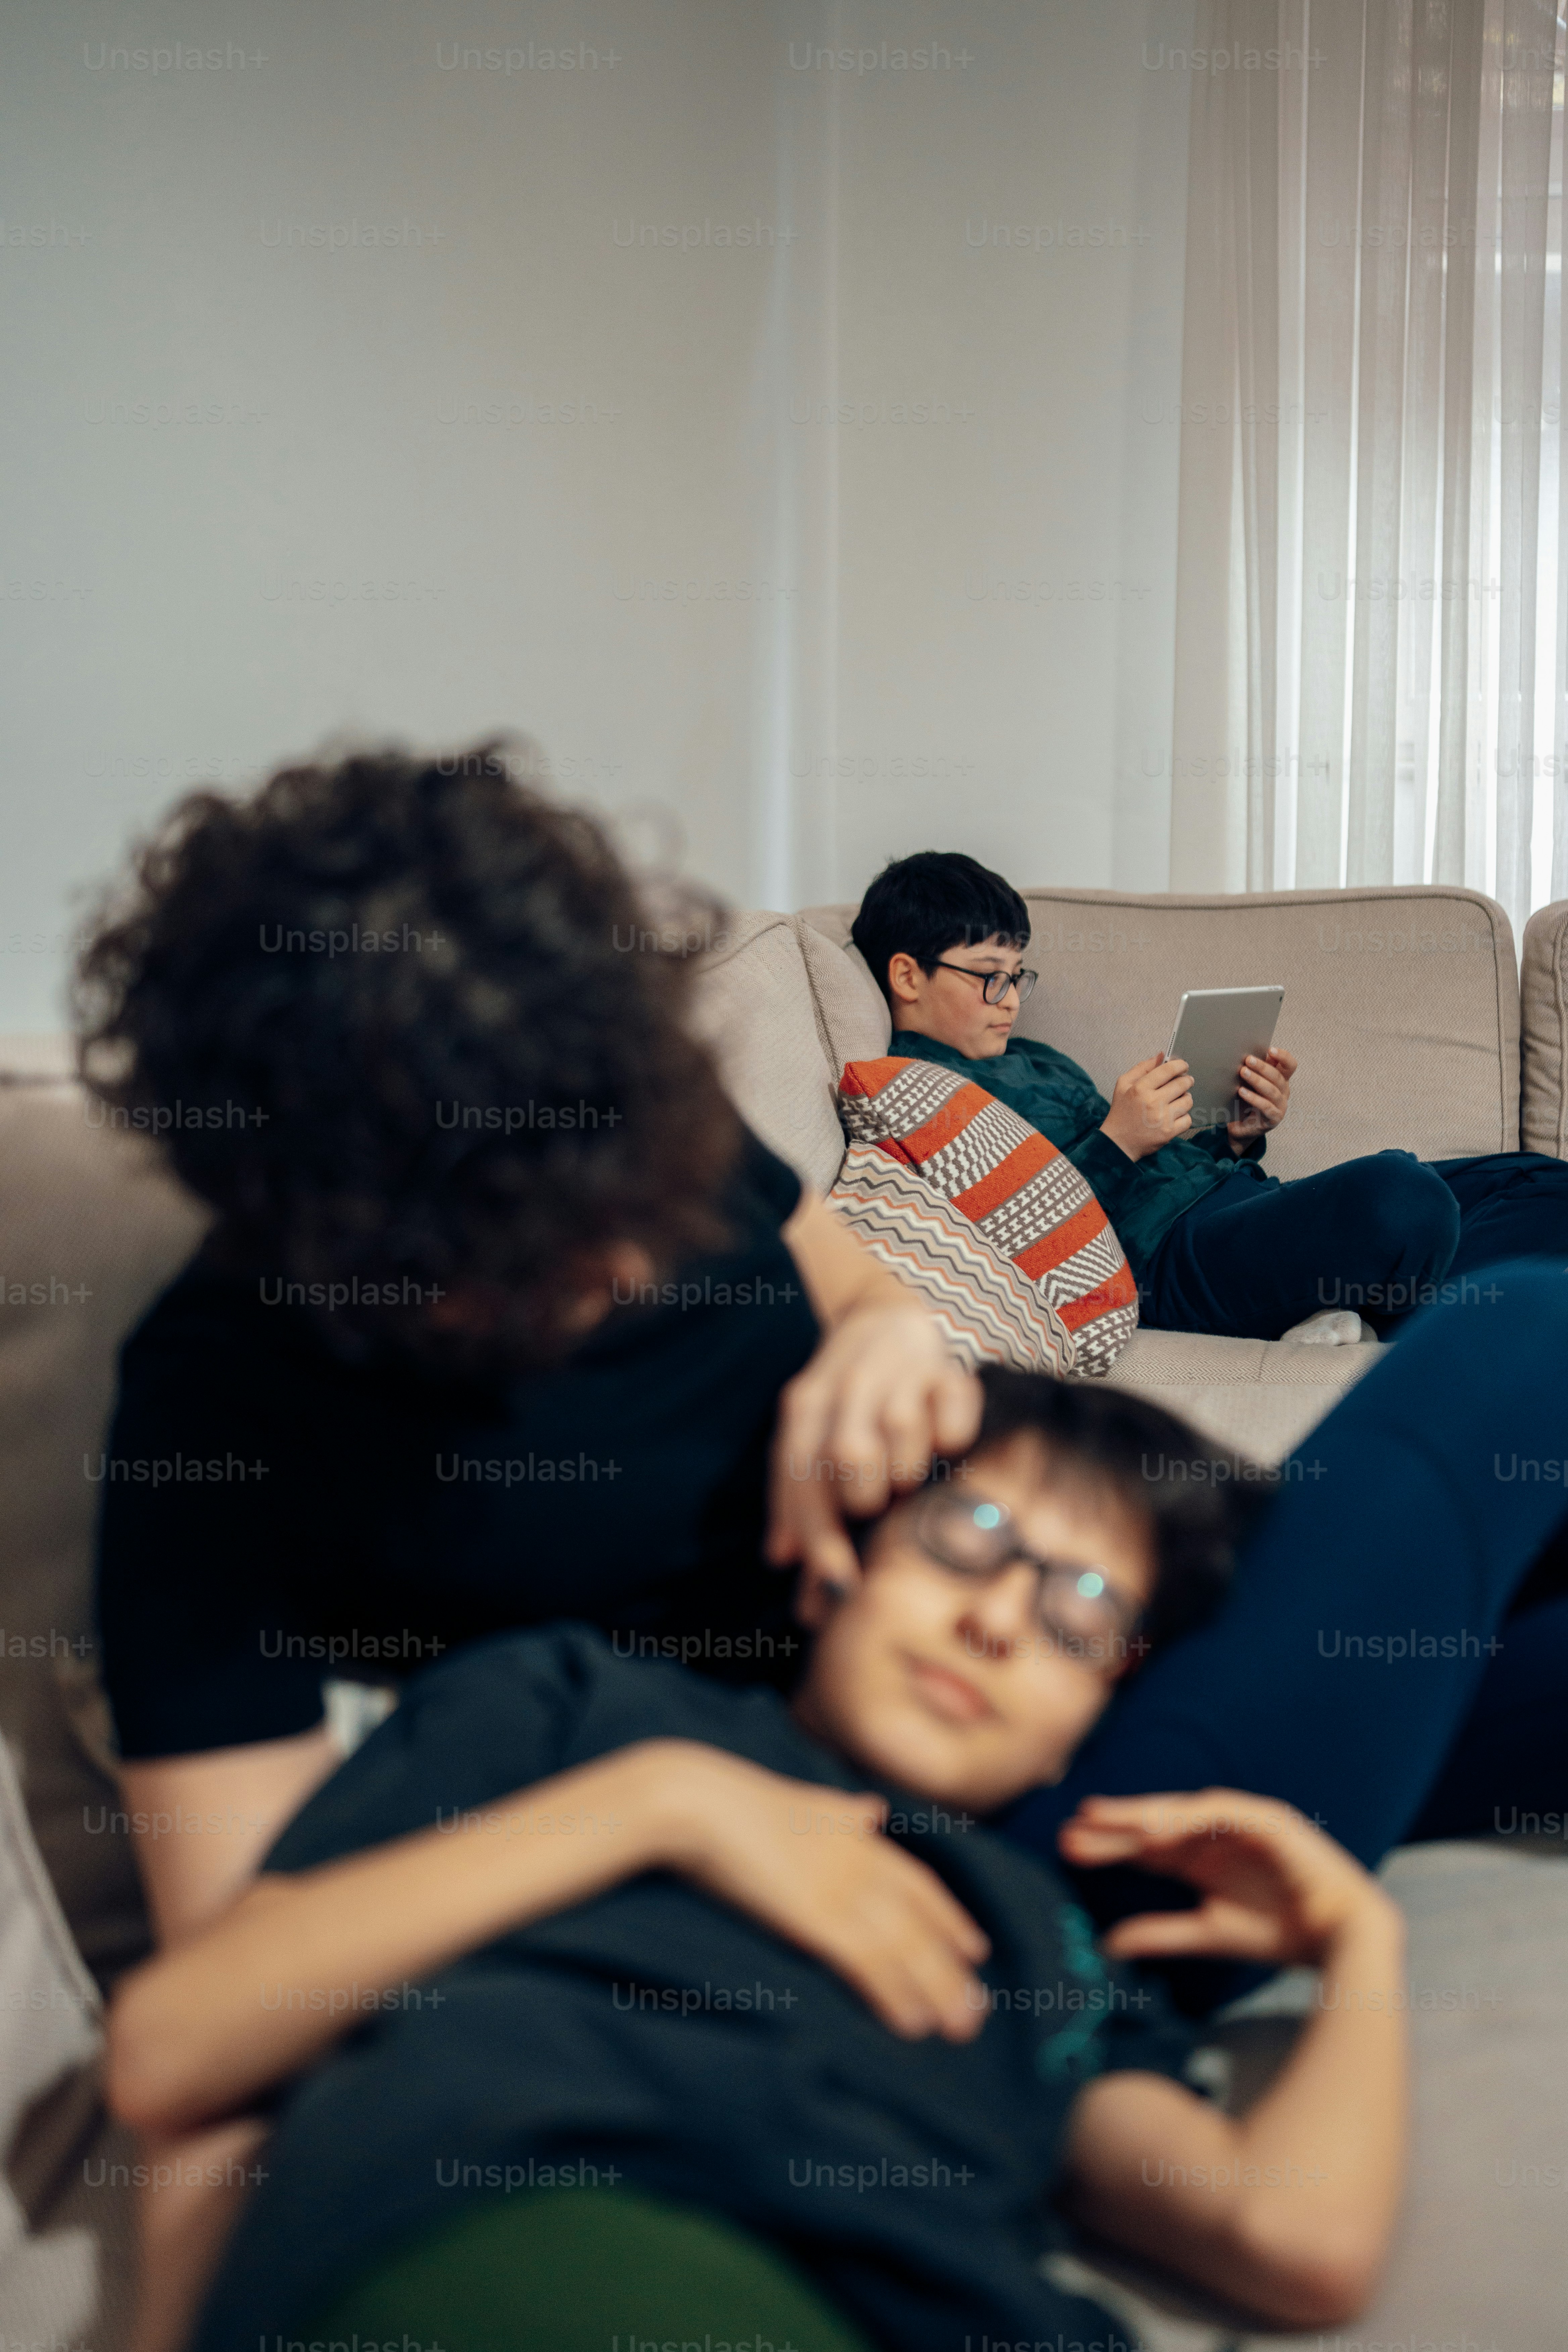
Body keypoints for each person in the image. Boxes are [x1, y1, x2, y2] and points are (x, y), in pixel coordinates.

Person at [107, 1369, 1411, 2352]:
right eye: (968, 1534)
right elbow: (180, 2042)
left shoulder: (1051, 1944)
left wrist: (1361, 1946)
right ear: (841, 1557)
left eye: (1081, 1610)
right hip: (539, 2239)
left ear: (1100, 1706)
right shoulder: (573, 1708)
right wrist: (660, 1807)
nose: (997, 1617)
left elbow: (1288, 2238)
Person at [80, 746, 979, 1945]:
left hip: (970, 1661)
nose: (622, 1267)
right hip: (757, 1849)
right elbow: (225, 1977)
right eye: (520, 1260)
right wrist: (660, 1807)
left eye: (622, 1195)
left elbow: (855, 1278)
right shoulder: (219, 1406)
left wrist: (890, 1330)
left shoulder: (621, 1100)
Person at [848, 848, 1568, 1341]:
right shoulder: (918, 1092)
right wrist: (1117, 1141)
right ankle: (1396, 1303)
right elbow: (1011, 1236)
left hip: (1234, 1202)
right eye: (988, 976)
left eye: (1017, 975)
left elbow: (1154, 1169)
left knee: (1539, 1185)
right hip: (1167, 1263)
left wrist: (1234, 1135)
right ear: (908, 976)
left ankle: (1363, 1299)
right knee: (1397, 1198)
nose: (1009, 999)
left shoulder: (1032, 1058)